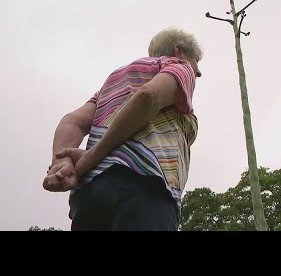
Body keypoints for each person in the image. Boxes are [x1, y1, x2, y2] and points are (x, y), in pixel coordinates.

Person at [43, 27, 203, 231]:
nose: (198, 71)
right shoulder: (179, 67)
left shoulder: (115, 80)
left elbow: (72, 121)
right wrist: (91, 157)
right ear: (179, 51)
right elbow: (149, 97)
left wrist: (61, 162)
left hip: (89, 197)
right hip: (144, 186)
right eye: (196, 60)